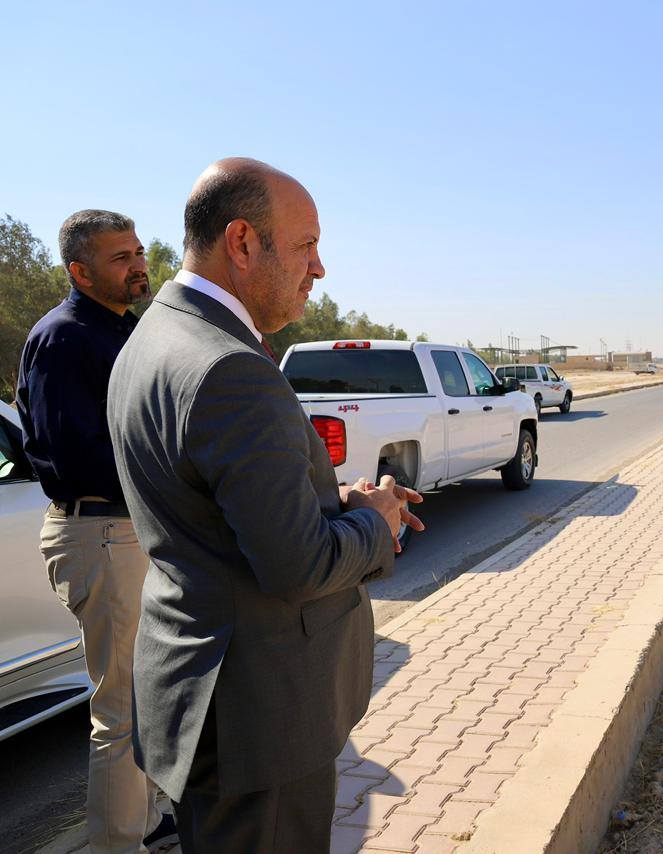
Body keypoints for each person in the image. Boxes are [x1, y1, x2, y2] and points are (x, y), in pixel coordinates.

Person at [107, 158, 425, 852]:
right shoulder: (231, 368)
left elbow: (211, 508)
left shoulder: (153, 338)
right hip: (260, 721)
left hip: (204, 702)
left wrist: (336, 498)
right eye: (307, 244)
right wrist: (376, 521)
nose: (320, 267)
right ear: (244, 242)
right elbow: (297, 566)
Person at [16, 210, 175, 853]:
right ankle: (117, 844)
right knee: (123, 712)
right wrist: (174, 471)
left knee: (153, 696)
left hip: (133, 531)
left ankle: (151, 818)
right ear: (80, 272)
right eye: (120, 257)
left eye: (138, 252)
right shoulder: (63, 339)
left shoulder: (123, 329)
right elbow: (73, 456)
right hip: (102, 532)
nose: (138, 266)